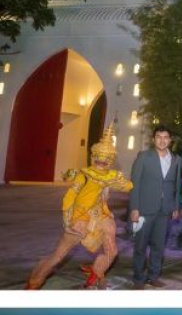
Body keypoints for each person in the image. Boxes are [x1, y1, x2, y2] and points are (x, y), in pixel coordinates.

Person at [27, 124, 133, 290]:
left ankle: (95, 273)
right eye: (98, 156)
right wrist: (69, 218)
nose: (101, 161)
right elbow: (70, 196)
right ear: (93, 156)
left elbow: (127, 186)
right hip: (80, 217)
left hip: (100, 215)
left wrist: (120, 182)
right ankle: (34, 281)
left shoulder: (112, 176)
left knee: (112, 251)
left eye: (106, 158)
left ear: (111, 161)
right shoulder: (84, 175)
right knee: (59, 255)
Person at [128, 125, 182, 289]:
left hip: (164, 210)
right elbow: (134, 184)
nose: (162, 140)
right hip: (144, 208)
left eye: (166, 137)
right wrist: (134, 208)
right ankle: (138, 278)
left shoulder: (176, 159)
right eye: (159, 137)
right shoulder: (143, 157)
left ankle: (153, 276)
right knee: (140, 246)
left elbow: (177, 185)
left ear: (170, 140)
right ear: (153, 139)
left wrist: (175, 206)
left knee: (159, 246)